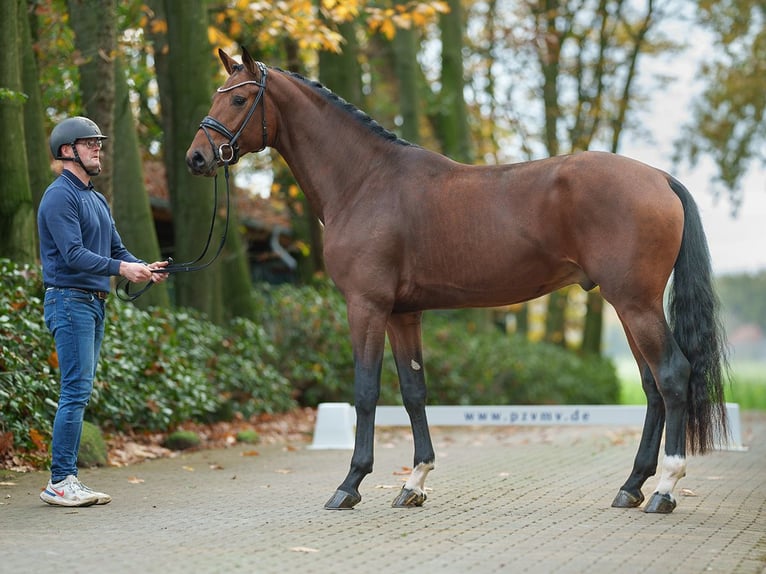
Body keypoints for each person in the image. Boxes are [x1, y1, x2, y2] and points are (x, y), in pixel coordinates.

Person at [37, 116, 169, 507]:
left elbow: (116, 250)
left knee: (80, 391)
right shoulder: (60, 196)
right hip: (69, 300)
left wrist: (142, 267)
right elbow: (73, 254)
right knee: (75, 391)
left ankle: (67, 479)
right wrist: (121, 269)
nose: (98, 148)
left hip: (93, 304)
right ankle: (60, 481)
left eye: (99, 142)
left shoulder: (96, 198)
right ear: (67, 150)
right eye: (89, 142)